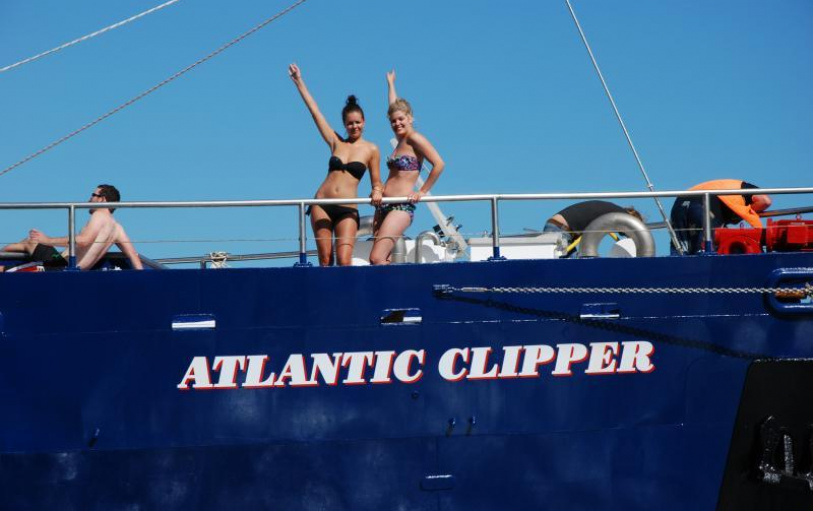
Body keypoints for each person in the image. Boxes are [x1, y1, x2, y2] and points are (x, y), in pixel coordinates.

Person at [288, 63, 382, 266]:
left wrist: (376, 190)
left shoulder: (371, 149)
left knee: (345, 261)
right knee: (325, 259)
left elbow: (377, 181)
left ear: (364, 122)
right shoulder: (336, 142)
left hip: (347, 209)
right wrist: (299, 82)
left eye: (357, 122)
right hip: (322, 203)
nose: (354, 126)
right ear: (345, 125)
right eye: (350, 123)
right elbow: (316, 113)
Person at [369, 70, 445, 265]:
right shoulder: (400, 139)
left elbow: (439, 164)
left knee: (376, 258)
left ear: (410, 118)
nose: (397, 123)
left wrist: (422, 191)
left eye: (401, 119)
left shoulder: (414, 138)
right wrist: (390, 84)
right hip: (383, 206)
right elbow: (393, 107)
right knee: (382, 259)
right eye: (393, 121)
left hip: (401, 206)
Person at [0, 184, 143, 271]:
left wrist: (48, 240)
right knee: (30, 241)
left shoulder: (99, 215)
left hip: (61, 267)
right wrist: (144, 280)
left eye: (93, 195)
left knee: (5, 269)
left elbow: (83, 240)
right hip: (62, 263)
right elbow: (133, 255)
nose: (89, 199)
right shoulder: (117, 228)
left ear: (102, 199)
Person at [670, 179, 771, 255]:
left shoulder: (723, 185)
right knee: (705, 253)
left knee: (680, 253)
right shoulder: (746, 188)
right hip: (705, 205)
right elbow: (765, 200)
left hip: (679, 204)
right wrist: (746, 212)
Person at [543, 200, 643, 246]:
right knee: (567, 270)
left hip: (558, 227)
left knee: (571, 266)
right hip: (559, 229)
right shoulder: (622, 215)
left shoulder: (613, 213)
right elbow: (631, 233)